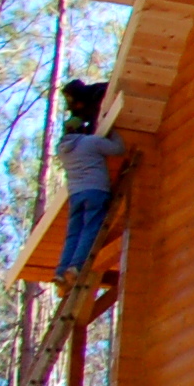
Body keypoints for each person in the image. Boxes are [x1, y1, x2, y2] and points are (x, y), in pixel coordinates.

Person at [55, 79, 127, 280]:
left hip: (76, 195)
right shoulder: (91, 142)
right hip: (95, 191)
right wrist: (112, 130)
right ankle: (76, 267)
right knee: (90, 228)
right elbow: (119, 149)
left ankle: (60, 271)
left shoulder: (62, 151)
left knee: (73, 234)